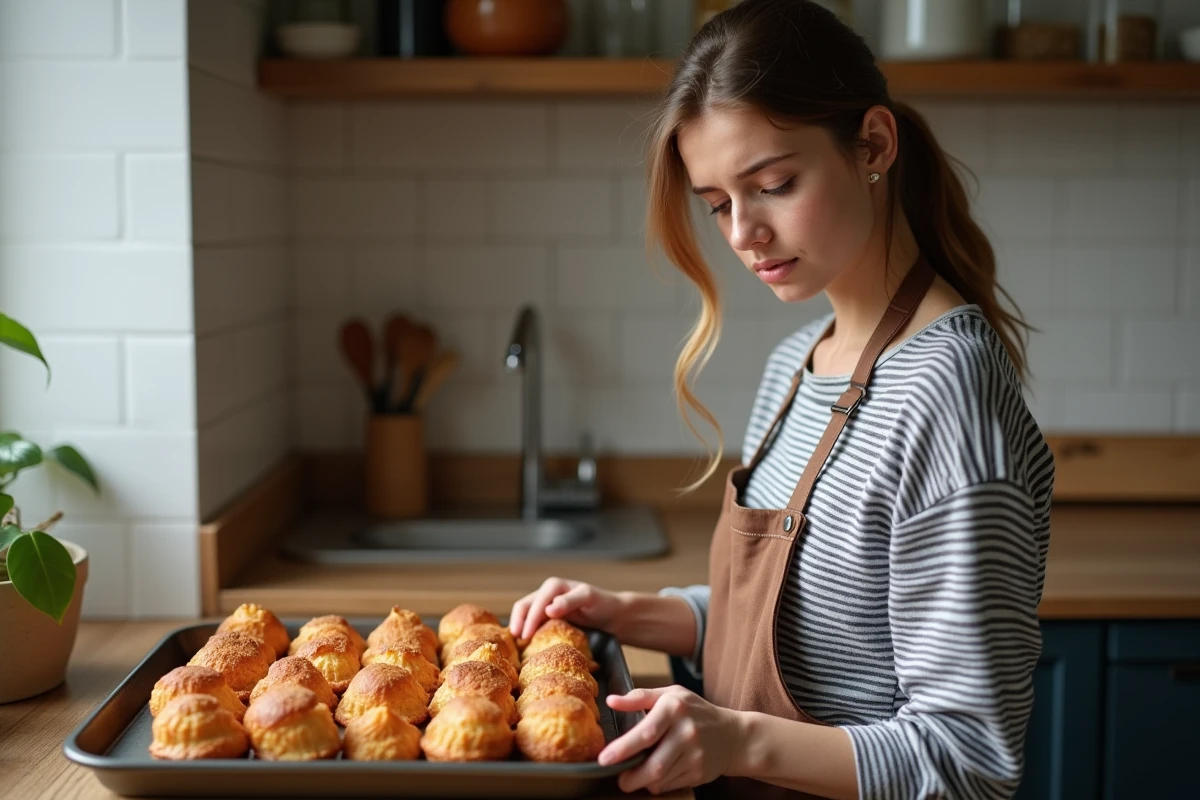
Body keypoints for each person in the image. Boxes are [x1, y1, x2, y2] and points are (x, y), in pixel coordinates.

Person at [509, 1, 1055, 797]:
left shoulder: (949, 396)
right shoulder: (800, 362)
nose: (742, 235)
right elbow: (811, 627)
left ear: (872, 144)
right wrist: (633, 612)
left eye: (772, 185)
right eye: (719, 205)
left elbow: (967, 756)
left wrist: (741, 744)